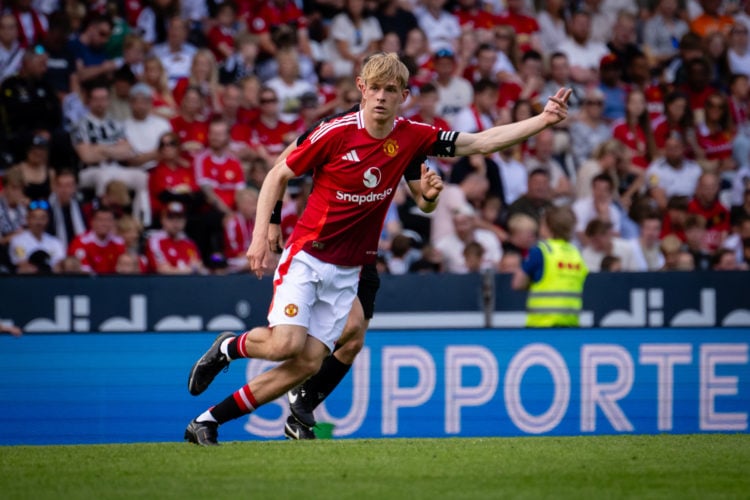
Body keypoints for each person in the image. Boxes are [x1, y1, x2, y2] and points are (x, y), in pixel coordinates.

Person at [183, 52, 572, 445]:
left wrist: (542, 120)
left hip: (348, 271)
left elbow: (479, 142)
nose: (382, 97)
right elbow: (278, 172)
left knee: (308, 362)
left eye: (391, 90)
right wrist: (259, 235)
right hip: (309, 256)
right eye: (375, 89)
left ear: (403, 95)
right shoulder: (335, 131)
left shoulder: (411, 136)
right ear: (361, 89)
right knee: (286, 344)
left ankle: (207, 421)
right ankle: (229, 347)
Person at [512, 206, 588, 327]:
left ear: (548, 227)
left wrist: (532, 281)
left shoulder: (541, 251)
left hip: (542, 325)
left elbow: (517, 283)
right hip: (571, 324)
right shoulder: (576, 253)